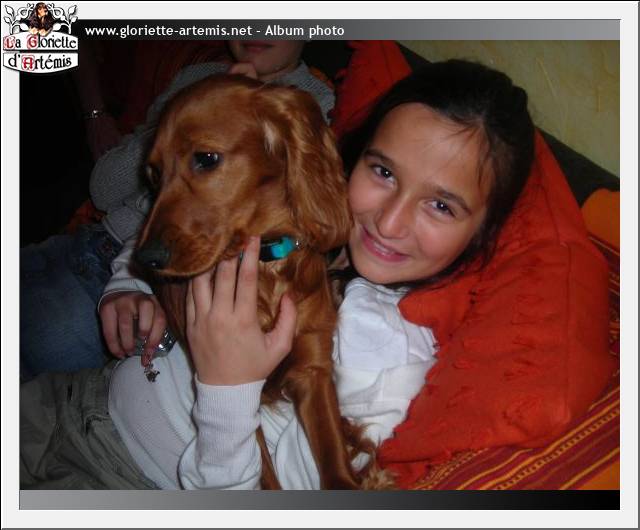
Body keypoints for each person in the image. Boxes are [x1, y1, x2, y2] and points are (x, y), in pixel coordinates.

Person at [20, 59, 535, 489]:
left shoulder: (389, 362)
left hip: (113, 478)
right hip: (73, 400)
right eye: (382, 172)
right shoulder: (305, 215)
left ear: (483, 233)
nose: (390, 222)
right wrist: (129, 286)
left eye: (442, 205)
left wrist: (226, 386)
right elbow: (163, 243)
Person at [19, 40, 334, 381]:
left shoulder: (317, 105)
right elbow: (104, 189)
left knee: (46, 336)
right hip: (93, 241)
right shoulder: (195, 76)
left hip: (155, 279)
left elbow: (297, 224)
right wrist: (185, 119)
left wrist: (236, 110)